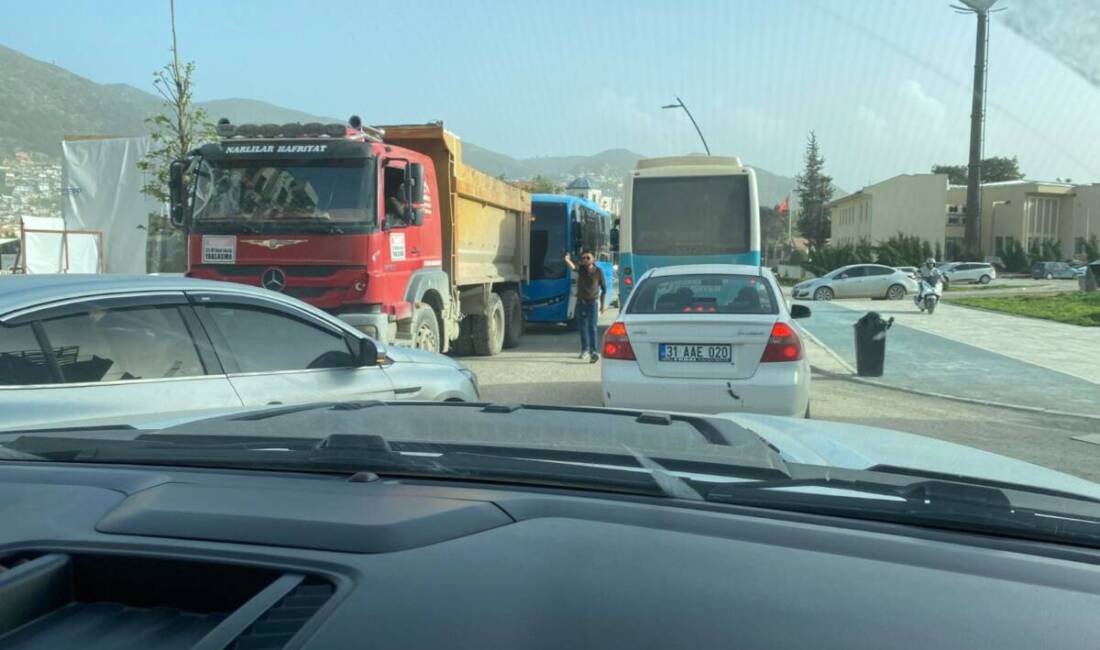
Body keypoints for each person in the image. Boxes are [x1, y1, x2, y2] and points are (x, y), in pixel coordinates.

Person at [564, 250, 606, 362]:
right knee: (583, 328)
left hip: (593, 303)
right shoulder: (581, 270)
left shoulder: (598, 272)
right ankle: (585, 350)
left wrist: (602, 305)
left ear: (593, 259)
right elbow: (573, 267)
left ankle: (594, 351)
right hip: (581, 303)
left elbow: (604, 289)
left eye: (588, 257)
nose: (585, 260)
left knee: (592, 327)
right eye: (583, 258)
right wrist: (567, 260)